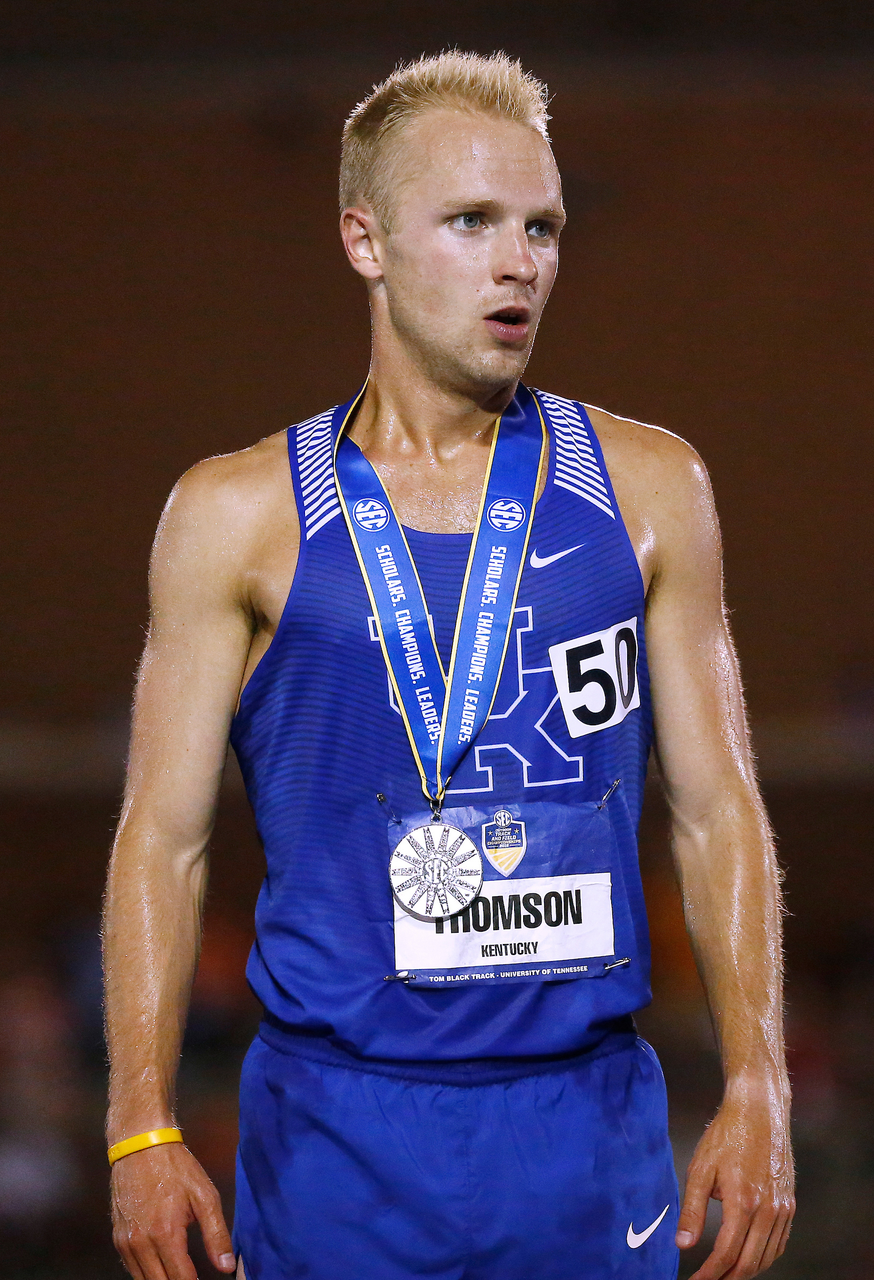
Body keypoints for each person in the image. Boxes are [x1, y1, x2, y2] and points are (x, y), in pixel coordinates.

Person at [103, 51, 794, 1280]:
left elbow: (714, 804)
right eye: (471, 222)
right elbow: (163, 838)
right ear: (363, 241)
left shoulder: (648, 489)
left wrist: (760, 1084)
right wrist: (139, 1121)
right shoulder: (235, 514)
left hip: (585, 1127)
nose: (518, 261)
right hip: (331, 1136)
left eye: (542, 226)